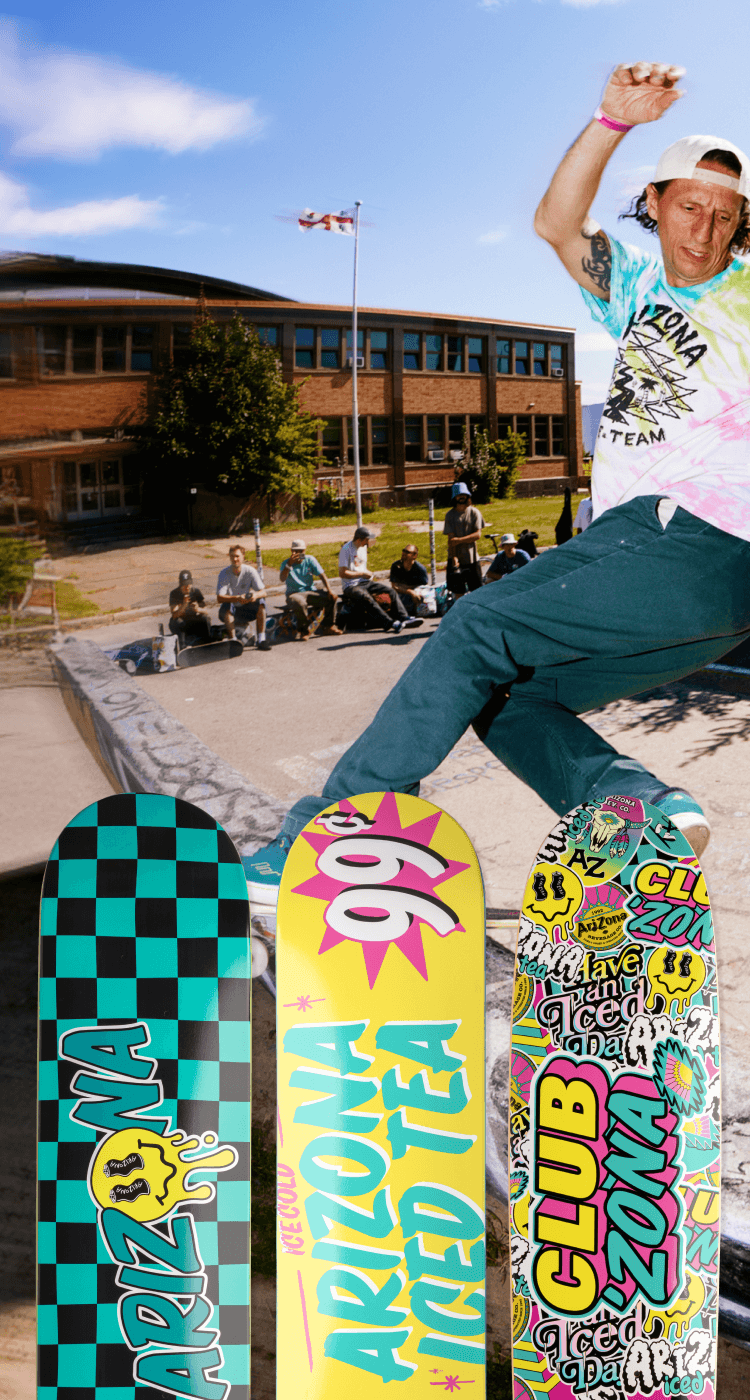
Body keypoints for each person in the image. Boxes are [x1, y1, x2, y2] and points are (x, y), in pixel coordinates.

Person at [244, 59, 750, 907]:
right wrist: (612, 120)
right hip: (697, 592)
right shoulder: (631, 283)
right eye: (690, 207)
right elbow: (557, 222)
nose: (704, 231)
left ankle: (330, 840)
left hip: (689, 533)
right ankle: (636, 809)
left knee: (473, 625)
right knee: (498, 689)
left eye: (725, 218)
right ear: (656, 205)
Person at [338, 526, 422, 633]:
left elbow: (359, 566)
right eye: (366, 540)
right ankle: (390, 623)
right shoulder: (346, 550)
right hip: (350, 586)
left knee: (390, 591)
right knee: (367, 597)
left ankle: (404, 617)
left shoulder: (363, 548)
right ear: (359, 540)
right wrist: (362, 573)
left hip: (365, 582)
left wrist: (369, 575)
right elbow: (342, 573)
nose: (368, 542)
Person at [279, 537, 342, 639]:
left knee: (332, 596)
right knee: (299, 603)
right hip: (294, 593)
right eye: (296, 551)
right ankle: (304, 630)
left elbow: (322, 575)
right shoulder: (286, 563)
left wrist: (329, 590)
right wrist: (289, 564)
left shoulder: (310, 560)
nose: (299, 553)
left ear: (305, 550)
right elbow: (282, 578)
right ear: (292, 551)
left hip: (310, 591)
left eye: (301, 551)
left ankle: (328, 626)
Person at [217, 544, 270, 650]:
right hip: (231, 609)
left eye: (237, 556)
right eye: (232, 556)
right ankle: (233, 641)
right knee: (228, 605)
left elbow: (263, 592)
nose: (235, 559)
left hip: (246, 608)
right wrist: (237, 598)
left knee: (261, 602)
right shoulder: (224, 573)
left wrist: (255, 595)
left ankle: (261, 639)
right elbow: (219, 598)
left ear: (243, 557)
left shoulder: (250, 571)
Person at [443, 483, 485, 595]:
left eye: (463, 494)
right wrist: (454, 557)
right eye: (458, 494)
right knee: (458, 592)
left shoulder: (474, 512)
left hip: (472, 558)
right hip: (456, 558)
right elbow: (451, 540)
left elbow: (477, 535)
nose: (461, 496)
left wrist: (459, 540)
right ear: (454, 497)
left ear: (467, 496)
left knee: (477, 591)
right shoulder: (450, 515)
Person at [168, 569, 212, 646]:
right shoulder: (174, 593)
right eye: (184, 585)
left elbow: (206, 611)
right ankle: (182, 646)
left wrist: (198, 609)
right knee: (177, 621)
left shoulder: (196, 591)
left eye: (189, 584)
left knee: (206, 618)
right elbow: (174, 615)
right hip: (182, 623)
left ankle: (207, 642)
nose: (187, 587)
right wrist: (184, 605)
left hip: (193, 622)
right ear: (180, 584)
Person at [389, 544, 429, 615]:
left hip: (416, 595)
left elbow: (424, 588)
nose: (404, 553)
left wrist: (407, 589)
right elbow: (394, 586)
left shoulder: (420, 569)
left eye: (407, 552)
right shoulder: (396, 566)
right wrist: (410, 591)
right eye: (403, 551)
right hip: (402, 594)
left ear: (414, 556)